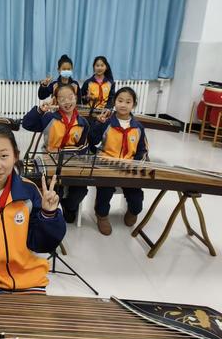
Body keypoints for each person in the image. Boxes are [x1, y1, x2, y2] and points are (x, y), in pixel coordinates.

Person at [0, 124, 66, 293]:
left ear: (16, 156)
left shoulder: (29, 192)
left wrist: (49, 214)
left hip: (31, 282)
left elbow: (43, 244)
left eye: (4, 156)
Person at [23, 83, 89, 223]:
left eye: (70, 97)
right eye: (62, 99)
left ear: (76, 98)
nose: (67, 102)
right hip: (50, 161)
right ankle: (51, 211)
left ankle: (69, 206)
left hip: (70, 162)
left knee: (81, 189)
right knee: (54, 189)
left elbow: (83, 147)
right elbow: (27, 124)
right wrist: (40, 111)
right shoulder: (49, 118)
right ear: (56, 101)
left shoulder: (83, 122)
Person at [89, 87, 148, 236]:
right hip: (106, 165)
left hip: (128, 167)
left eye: (128, 101)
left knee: (136, 198)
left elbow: (143, 150)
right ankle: (101, 216)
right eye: (120, 100)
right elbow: (92, 142)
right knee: (105, 191)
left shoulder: (138, 127)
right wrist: (97, 124)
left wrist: (134, 165)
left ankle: (133, 211)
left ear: (133, 105)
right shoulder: (106, 122)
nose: (123, 104)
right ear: (114, 102)